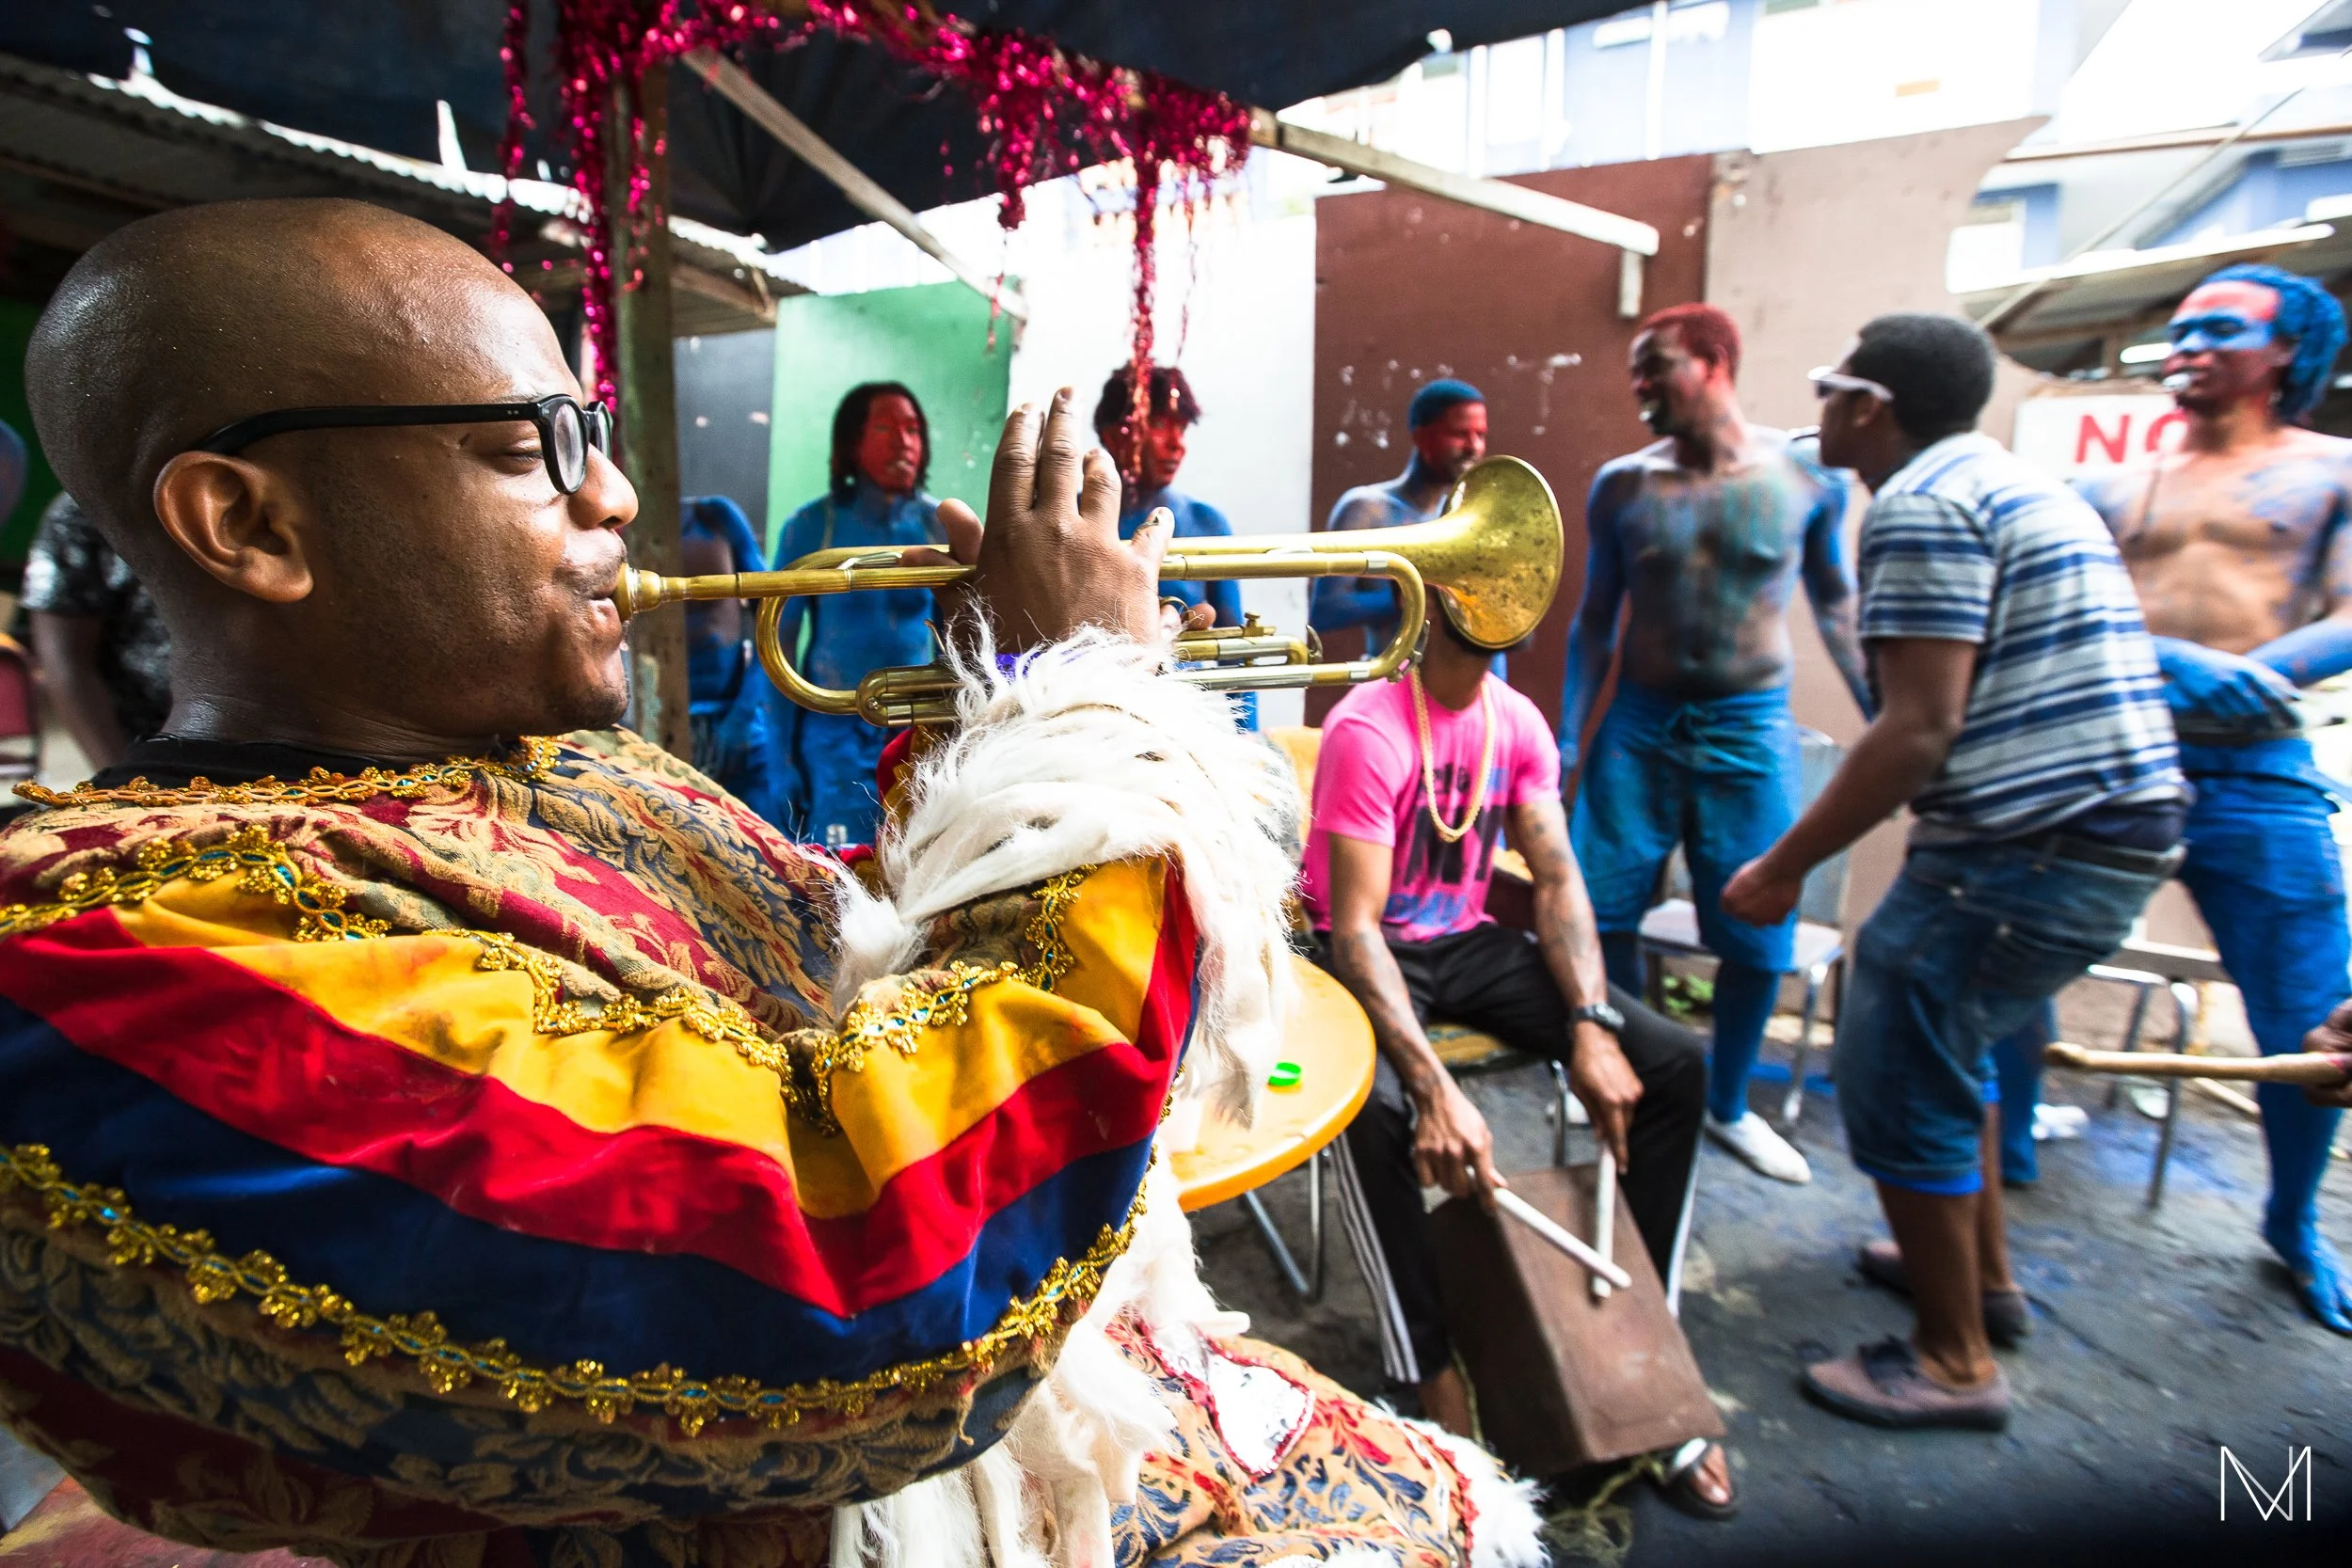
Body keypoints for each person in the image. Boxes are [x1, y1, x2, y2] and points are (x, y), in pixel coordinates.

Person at [0, 198, 1544, 1568]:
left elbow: (847, 968)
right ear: (249, 523)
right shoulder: (101, 963)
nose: (611, 498)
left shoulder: (570, 765)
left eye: (591, 428)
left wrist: (994, 733)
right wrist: (1091, 711)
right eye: (531, 444)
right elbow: (864, 1283)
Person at [1721, 313, 2184, 1430]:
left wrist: (1782, 866)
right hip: (2104, 831)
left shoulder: (1922, 504)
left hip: (2026, 845)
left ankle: (1952, 1359)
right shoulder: (2014, 484)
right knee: (1954, 1047)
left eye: (1833, 393)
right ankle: (1980, 1283)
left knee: (1898, 1064)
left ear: (1869, 408)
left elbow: (1918, 728)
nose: (1818, 414)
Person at [1302, 592, 1730, 1515]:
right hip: (1360, 945)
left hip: (1463, 941)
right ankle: (1427, 1366)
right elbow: (1357, 927)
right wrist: (1433, 1086)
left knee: (1669, 1062)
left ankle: (1633, 1338)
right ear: (1436, 604)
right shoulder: (1365, 726)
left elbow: (1559, 874)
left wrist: (1589, 1021)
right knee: (1367, 1106)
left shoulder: (1519, 723)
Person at [2074, 263, 2352, 1333]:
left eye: (2217, 328)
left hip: (2259, 767)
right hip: (2117, 753)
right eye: (2176, 329)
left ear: (2283, 352)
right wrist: (2174, 661)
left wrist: (2257, 671)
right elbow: (2075, 610)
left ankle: (2292, 1221)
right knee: (2006, 955)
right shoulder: (2113, 490)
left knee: (2303, 1012)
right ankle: (1991, 1169)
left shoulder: (2330, 468)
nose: (2184, 344)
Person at [1559, 303, 1871, 1187]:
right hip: (1640, 724)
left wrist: (1890, 721)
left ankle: (1728, 1107)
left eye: (1655, 366)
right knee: (1600, 906)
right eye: (1635, 371)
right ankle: (1625, 1068)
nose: (1640, 386)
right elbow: (1593, 625)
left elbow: (1839, 610)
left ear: (1714, 362)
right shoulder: (1623, 484)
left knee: (1757, 925)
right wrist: (1568, 740)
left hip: (1748, 726)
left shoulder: (1806, 478)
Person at [772, 382, 946, 849]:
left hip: (917, 726)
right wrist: (781, 755)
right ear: (852, 443)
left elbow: (963, 642)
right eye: (885, 427)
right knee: (837, 865)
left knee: (911, 859)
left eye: (912, 429)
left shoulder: (938, 526)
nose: (903, 441)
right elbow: (779, 644)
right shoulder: (814, 528)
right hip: (834, 732)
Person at [1308, 378, 1487, 654]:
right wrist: (1419, 596)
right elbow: (1324, 611)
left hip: (1469, 693)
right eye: (1460, 433)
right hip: (1390, 683)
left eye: (1481, 435)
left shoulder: (1471, 516)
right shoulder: (1366, 509)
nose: (1473, 447)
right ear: (1421, 437)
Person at [20, 490, 172, 769]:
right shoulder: (84, 512)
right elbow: (65, 664)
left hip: (264, 745)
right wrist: (120, 775)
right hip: (145, 744)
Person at [1093, 363, 1242, 630]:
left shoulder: (1207, 524)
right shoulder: (1071, 519)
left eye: (1182, 429)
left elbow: (1235, 648)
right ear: (1116, 436)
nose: (1178, 444)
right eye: (1160, 424)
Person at [678, 493, 787, 826]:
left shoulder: (714, 518)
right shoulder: (620, 531)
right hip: (661, 725)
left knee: (763, 838)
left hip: (737, 718)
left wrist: (743, 713)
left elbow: (772, 617)